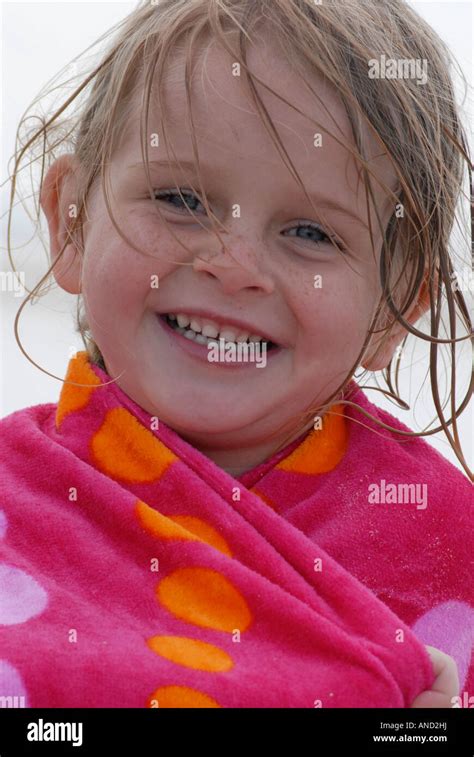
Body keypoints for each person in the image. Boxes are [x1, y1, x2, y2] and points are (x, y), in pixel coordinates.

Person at [1, 0, 472, 708]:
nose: (234, 264)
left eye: (312, 233)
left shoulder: (446, 543)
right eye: (181, 197)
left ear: (394, 309)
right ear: (72, 221)